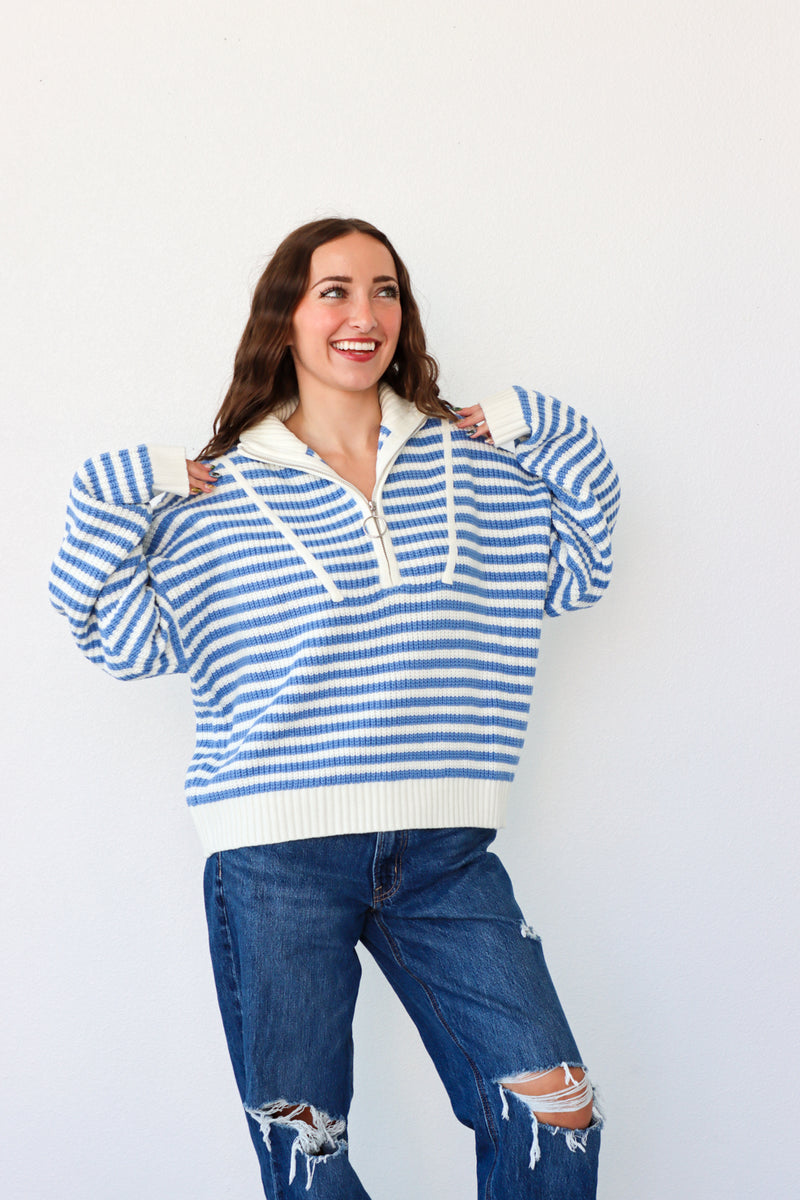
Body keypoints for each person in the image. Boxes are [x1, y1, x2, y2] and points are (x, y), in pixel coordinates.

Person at [50, 217, 620, 1199]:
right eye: (335, 291)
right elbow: (116, 634)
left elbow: (578, 561)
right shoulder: (214, 501)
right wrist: (116, 489)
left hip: (444, 854)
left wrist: (544, 423)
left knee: (556, 1119)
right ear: (285, 318)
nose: (365, 315)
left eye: (385, 291)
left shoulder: (472, 473)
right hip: (276, 863)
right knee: (308, 1161)